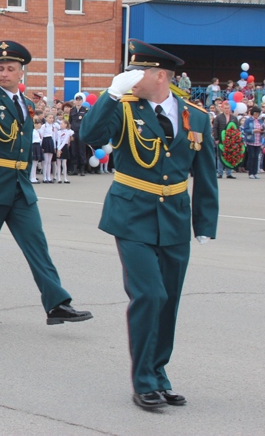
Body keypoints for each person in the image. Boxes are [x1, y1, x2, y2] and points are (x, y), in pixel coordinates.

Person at [80, 40, 218, 410]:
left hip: (174, 217)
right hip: (131, 215)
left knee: (168, 301)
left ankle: (159, 374)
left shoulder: (195, 116)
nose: (129, 77)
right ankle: (143, 381)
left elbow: (206, 176)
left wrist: (204, 222)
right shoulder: (124, 108)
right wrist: (111, 92)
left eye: (135, 72)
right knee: (149, 295)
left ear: (159, 76)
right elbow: (90, 136)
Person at [0, 41, 93, 331]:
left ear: (21, 74)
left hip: (20, 185)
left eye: (10, 69)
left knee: (37, 244)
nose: (4, 73)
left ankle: (57, 304)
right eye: (0, 68)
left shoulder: (27, 105)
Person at [211, 100, 237, 179]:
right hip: (221, 139)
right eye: (225, 108)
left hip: (231, 140)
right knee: (220, 156)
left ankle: (229, 173)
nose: (227, 109)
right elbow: (215, 128)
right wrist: (216, 138)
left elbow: (237, 129)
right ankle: (220, 172)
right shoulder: (218, 117)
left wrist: (236, 139)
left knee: (230, 156)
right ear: (222, 109)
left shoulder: (234, 118)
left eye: (228, 108)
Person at [242, 105, 262, 178]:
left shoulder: (260, 121)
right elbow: (246, 130)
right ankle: (250, 173)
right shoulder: (248, 120)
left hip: (258, 141)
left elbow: (262, 128)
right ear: (253, 113)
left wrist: (262, 131)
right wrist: (253, 131)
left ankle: (255, 172)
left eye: (258, 113)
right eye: (255, 113)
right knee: (251, 156)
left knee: (256, 157)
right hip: (251, 141)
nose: (256, 115)